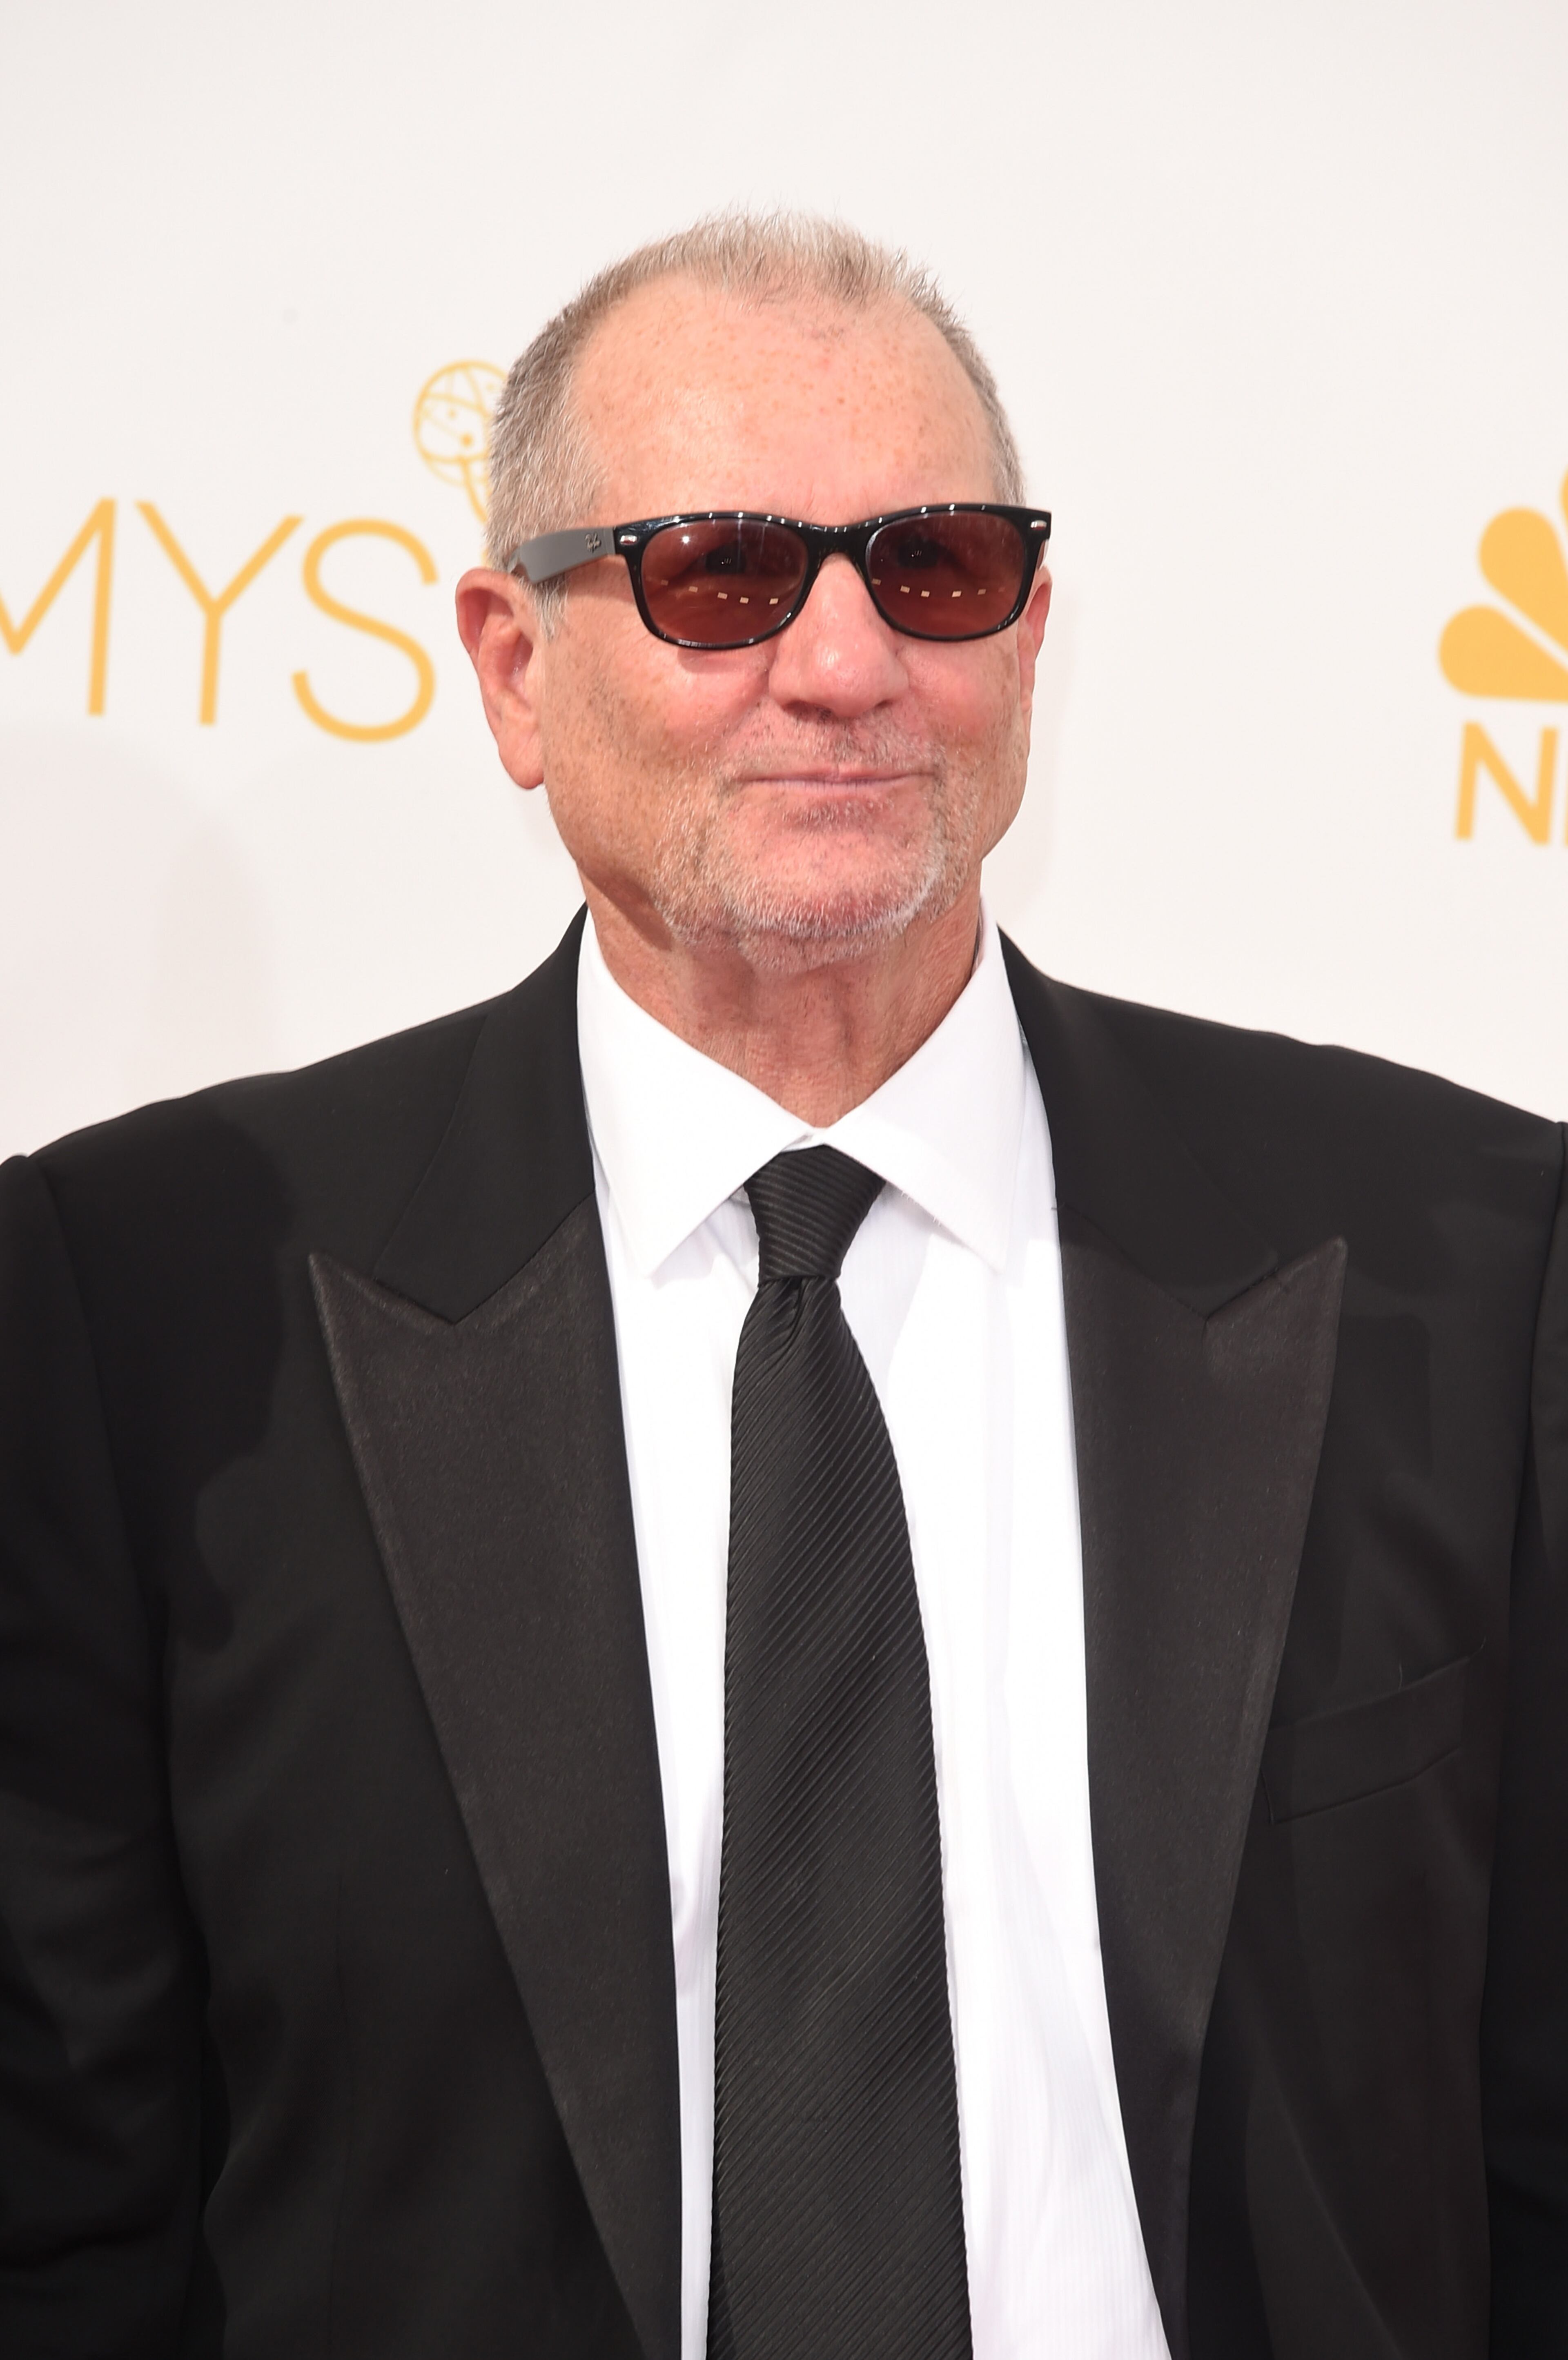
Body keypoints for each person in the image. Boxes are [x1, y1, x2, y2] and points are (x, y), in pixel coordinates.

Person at [0, 214, 1564, 2360]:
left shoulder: (1471, 1261)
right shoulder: (143, 1305)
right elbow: (70, 2209)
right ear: (511, 664)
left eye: (933, 569)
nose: (845, 665)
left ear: (1026, 637)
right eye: (720, 573)